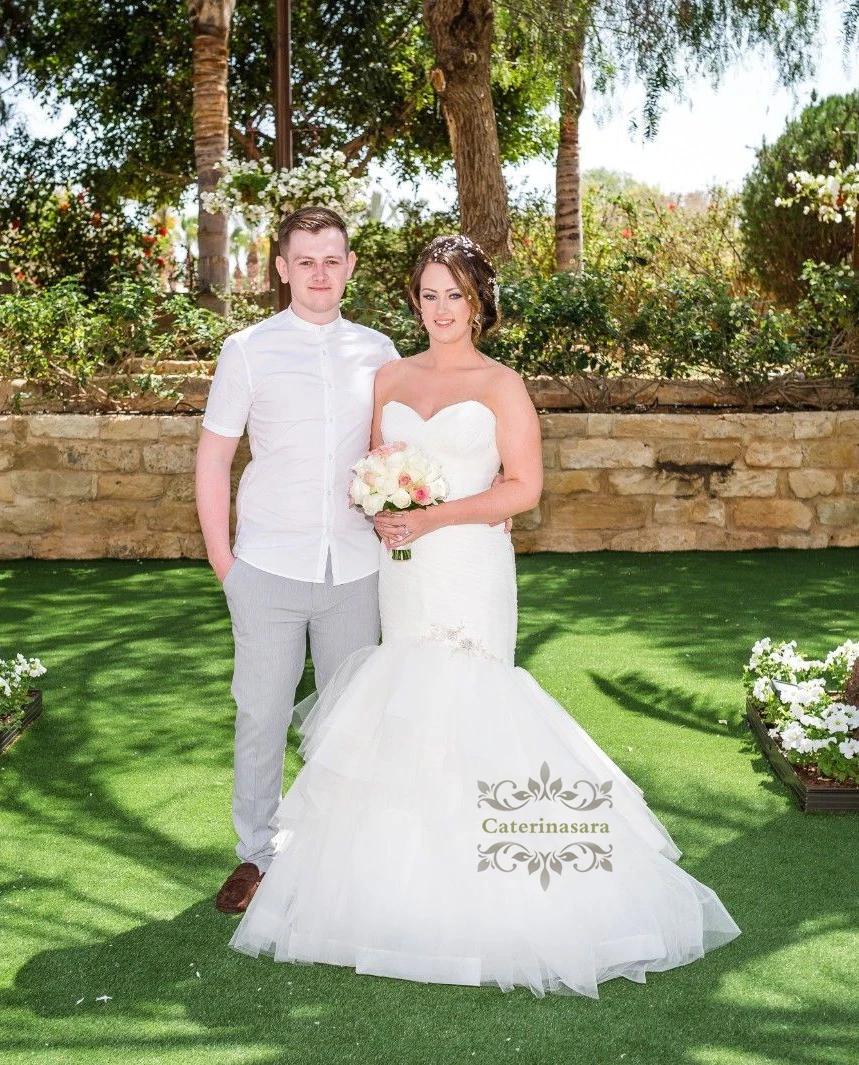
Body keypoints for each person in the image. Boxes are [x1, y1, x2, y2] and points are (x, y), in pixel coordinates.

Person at [228, 234, 741, 997]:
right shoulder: (389, 376)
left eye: (454, 296)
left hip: (465, 567)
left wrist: (439, 518)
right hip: (401, 573)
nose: (440, 310)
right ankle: (393, 892)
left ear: (478, 304)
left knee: (472, 705)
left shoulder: (502, 384)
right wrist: (383, 510)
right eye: (428, 295)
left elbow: (523, 487)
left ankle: (502, 892)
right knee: (402, 706)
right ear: (414, 299)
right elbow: (373, 469)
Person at [195, 206, 400, 914]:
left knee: (347, 716)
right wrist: (226, 563)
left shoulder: (379, 350)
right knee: (261, 714)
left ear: (348, 265)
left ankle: (333, 851)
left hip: (355, 570)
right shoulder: (246, 348)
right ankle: (255, 855)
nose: (319, 273)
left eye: (332, 258)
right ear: (280, 268)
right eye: (305, 260)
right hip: (267, 568)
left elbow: (394, 451)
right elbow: (215, 457)